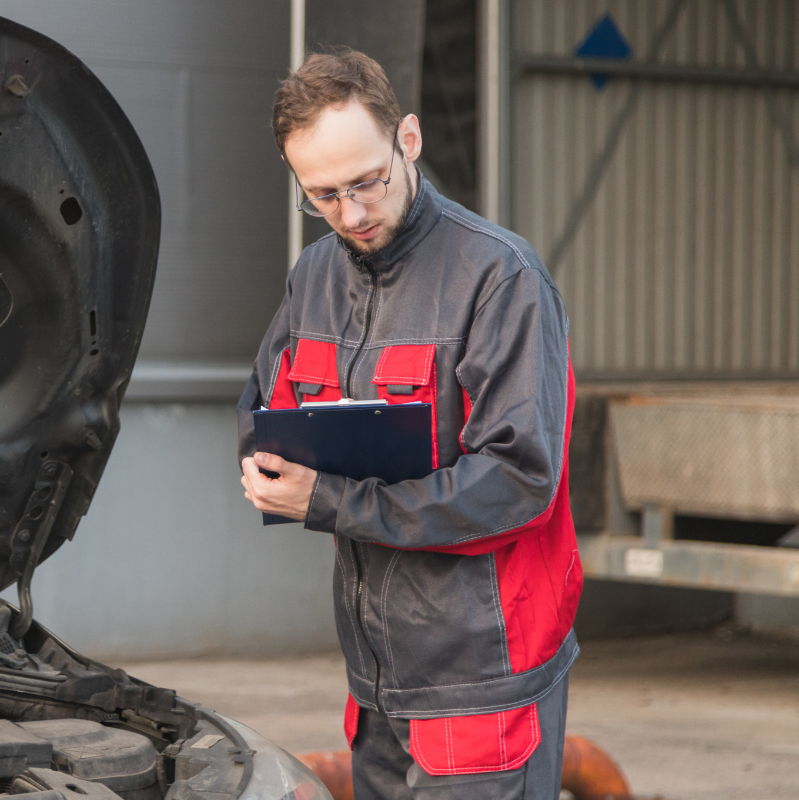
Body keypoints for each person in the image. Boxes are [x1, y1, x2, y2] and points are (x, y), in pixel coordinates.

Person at [236, 50, 580, 800]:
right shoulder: (314, 275)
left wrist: (328, 499)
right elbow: (262, 407)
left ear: (409, 140)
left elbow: (520, 480)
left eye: (367, 182)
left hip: (482, 677)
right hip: (377, 680)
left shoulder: (500, 279)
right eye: (322, 195)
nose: (352, 214)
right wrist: (265, 466)